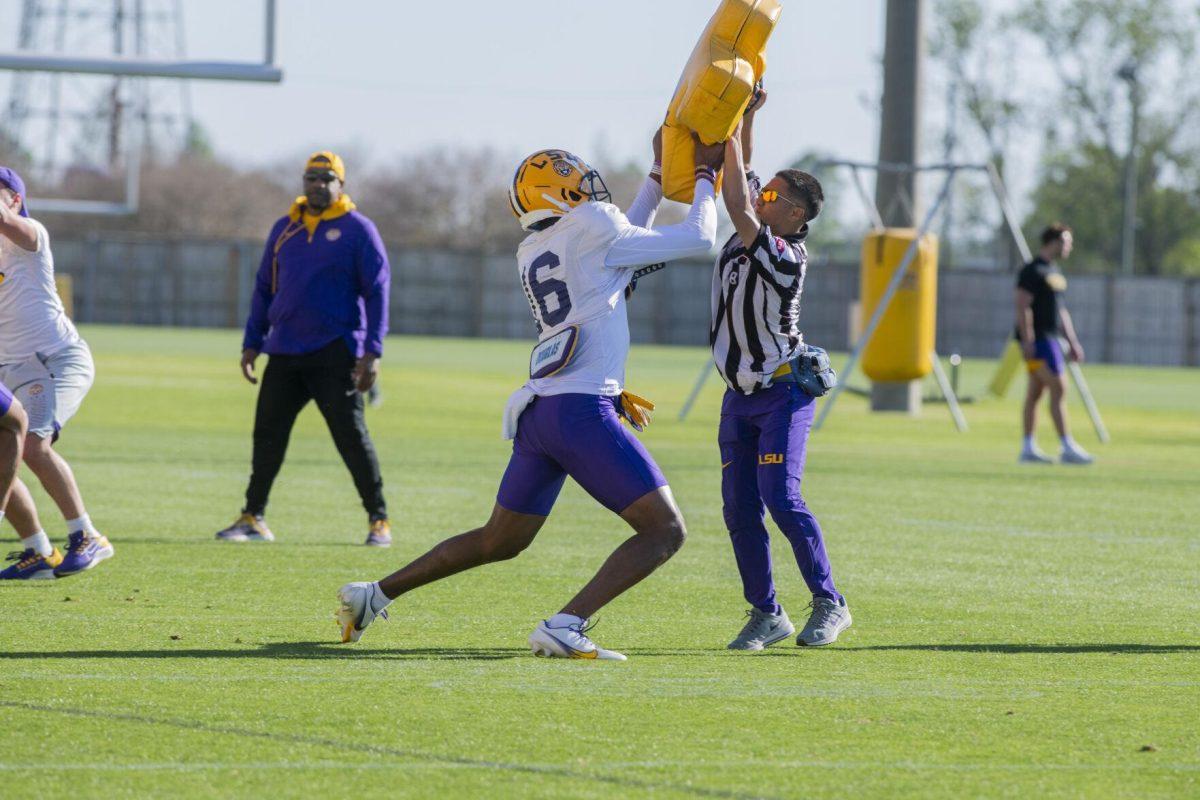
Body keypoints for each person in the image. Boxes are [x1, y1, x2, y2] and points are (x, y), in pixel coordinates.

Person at [335, 130, 722, 661]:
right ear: (557, 196)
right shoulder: (592, 227)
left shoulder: (536, 245)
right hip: (580, 410)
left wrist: (658, 176)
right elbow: (701, 238)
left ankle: (373, 595)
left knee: (501, 541)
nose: (590, 189)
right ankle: (566, 624)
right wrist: (706, 175)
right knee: (664, 531)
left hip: (542, 411)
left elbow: (623, 240)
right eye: (577, 184)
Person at [709, 92, 851, 651]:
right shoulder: (755, 227)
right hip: (738, 395)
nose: (760, 196)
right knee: (739, 509)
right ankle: (767, 613)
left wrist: (721, 124)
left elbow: (737, 197)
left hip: (783, 391)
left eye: (772, 195)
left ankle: (830, 602)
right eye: (764, 192)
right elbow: (742, 178)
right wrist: (746, 119)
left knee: (780, 498)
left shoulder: (784, 254)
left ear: (795, 213)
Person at [216, 152, 394, 546]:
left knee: (351, 436)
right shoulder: (285, 228)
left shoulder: (358, 230)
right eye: (311, 178)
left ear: (341, 185)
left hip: (336, 351)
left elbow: (378, 291)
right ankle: (252, 517)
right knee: (267, 436)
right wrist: (252, 342)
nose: (318, 184)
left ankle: (378, 520)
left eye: (327, 178)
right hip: (284, 350)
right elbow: (264, 287)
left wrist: (372, 351)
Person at [0, 166, 113, 579]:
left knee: (32, 445)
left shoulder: (31, 233)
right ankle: (36, 551)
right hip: (12, 367)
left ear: (14, 198)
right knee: (4, 457)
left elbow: (6, 222)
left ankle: (87, 536)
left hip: (57, 360)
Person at [1015, 224, 1093, 465]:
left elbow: (1061, 311)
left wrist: (1072, 341)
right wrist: (1027, 340)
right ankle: (1067, 445)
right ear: (1053, 242)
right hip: (1039, 341)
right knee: (1059, 387)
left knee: (1035, 393)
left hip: (1051, 338)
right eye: (1066, 241)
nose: (1069, 246)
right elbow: (1022, 305)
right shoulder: (1033, 270)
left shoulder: (1053, 272)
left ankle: (1028, 447)